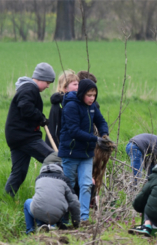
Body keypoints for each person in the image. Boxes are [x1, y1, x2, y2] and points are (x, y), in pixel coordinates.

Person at [58, 79, 110, 222]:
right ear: (81, 94)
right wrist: (95, 139)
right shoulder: (71, 106)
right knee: (67, 186)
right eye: (89, 95)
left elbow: (101, 121)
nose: (92, 98)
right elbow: (74, 131)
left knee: (86, 184)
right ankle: (64, 218)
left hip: (87, 153)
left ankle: (83, 218)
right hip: (71, 152)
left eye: (94, 95)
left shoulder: (92, 106)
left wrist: (104, 134)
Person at [4, 62, 56, 197]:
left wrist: (41, 119)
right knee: (53, 159)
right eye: (48, 82)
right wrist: (41, 118)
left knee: (19, 172)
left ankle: (6, 199)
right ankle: (52, 195)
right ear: (41, 78)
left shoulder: (26, 88)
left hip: (16, 137)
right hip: (25, 137)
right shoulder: (29, 89)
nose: (48, 86)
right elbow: (25, 106)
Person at [23, 153, 80, 234]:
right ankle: (50, 225)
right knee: (57, 202)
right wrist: (76, 223)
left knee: (28, 203)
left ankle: (30, 230)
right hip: (57, 215)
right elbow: (74, 202)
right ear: (60, 170)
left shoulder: (39, 179)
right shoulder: (64, 180)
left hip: (38, 212)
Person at [46, 70, 79, 148]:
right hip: (61, 146)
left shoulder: (77, 103)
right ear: (65, 87)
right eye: (75, 84)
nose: (78, 87)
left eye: (78, 84)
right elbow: (55, 129)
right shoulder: (59, 105)